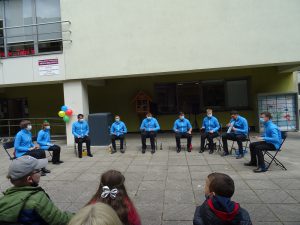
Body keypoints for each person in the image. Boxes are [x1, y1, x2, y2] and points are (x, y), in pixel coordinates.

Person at [0, 155, 73, 224]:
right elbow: (61, 221)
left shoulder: (5, 197)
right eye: (38, 170)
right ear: (29, 179)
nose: (41, 172)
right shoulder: (37, 199)